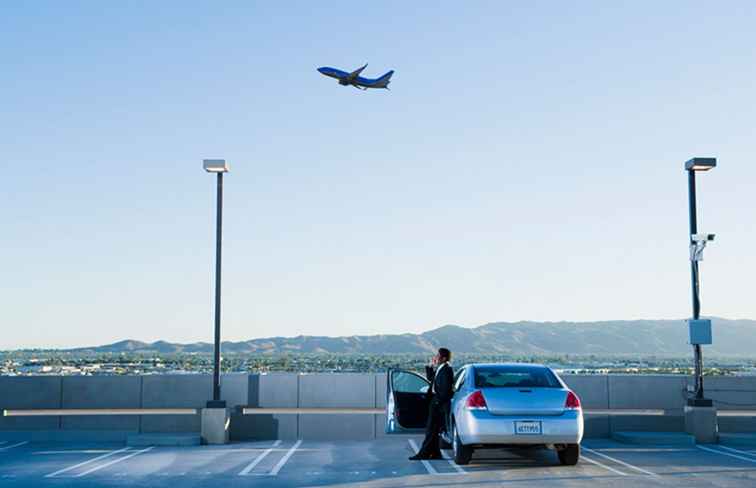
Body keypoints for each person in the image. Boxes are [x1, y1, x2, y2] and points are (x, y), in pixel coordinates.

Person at [409, 347, 454, 460]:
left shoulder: (447, 370)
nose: (436, 357)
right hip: (435, 401)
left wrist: (438, 402)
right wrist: (430, 366)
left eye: (438, 356)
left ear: (444, 358)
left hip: (439, 404)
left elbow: (445, 390)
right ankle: (435, 453)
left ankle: (423, 454)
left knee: (431, 429)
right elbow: (431, 379)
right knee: (433, 430)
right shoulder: (441, 368)